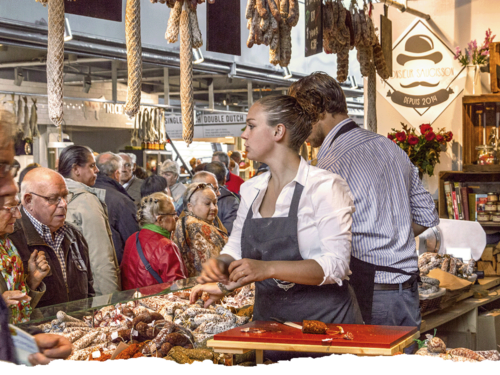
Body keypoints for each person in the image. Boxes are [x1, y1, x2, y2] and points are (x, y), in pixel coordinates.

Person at [191, 96, 362, 360]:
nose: (244, 135)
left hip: (325, 333)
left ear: (278, 131)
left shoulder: (325, 187)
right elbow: (236, 246)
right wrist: (221, 278)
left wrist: (267, 268)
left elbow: (336, 264)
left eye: (250, 126)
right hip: (270, 329)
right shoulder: (251, 189)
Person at [289, 72, 439, 334]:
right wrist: (394, 236)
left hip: (369, 294)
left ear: (319, 110)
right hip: (406, 291)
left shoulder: (330, 164)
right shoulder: (390, 147)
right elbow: (427, 216)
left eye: (302, 119)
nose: (300, 130)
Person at [0, 110, 71, 366]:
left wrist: (27, 344)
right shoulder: (17, 238)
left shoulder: (7, 246)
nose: (11, 185)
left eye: (11, 167)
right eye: (1, 167)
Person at [9, 167, 95, 307]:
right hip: (37, 329)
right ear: (28, 200)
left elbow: (89, 292)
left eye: (65, 196)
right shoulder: (11, 240)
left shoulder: (74, 235)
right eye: (53, 198)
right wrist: (31, 282)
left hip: (77, 327)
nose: (64, 204)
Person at [58, 145, 121, 295]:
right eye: (92, 166)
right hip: (94, 294)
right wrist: (111, 299)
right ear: (76, 169)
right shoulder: (86, 201)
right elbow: (100, 258)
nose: (97, 170)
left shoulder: (54, 198)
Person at [121, 193, 187, 290]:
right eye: (173, 214)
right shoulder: (167, 246)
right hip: (156, 303)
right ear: (160, 219)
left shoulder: (132, 239)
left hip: (131, 302)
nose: (176, 218)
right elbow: (177, 288)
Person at [1, 194, 50, 323]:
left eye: (17, 207)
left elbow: (21, 307)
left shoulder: (8, 245)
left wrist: (32, 281)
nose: (18, 215)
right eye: (11, 208)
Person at [173, 182, 228, 278]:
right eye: (207, 204)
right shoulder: (195, 226)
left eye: (215, 203)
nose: (213, 207)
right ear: (190, 207)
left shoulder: (184, 222)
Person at [94, 152, 140, 264]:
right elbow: (132, 240)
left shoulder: (85, 192)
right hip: (112, 264)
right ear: (116, 174)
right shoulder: (122, 201)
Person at [185, 171, 228, 235]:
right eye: (214, 189)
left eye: (215, 203)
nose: (219, 193)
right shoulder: (189, 228)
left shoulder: (210, 216)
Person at [203, 162, 240, 235]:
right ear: (225, 179)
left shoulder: (192, 196)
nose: (218, 194)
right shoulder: (232, 201)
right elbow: (230, 233)